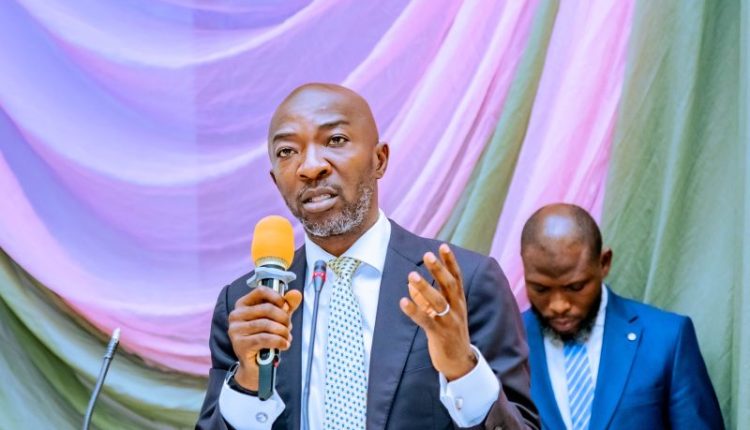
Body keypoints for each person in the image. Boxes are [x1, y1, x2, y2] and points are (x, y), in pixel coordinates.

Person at [196, 83, 539, 429]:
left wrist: (463, 370)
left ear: (379, 160)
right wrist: (248, 382)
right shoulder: (245, 307)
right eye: (287, 151)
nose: (310, 167)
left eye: (335, 140)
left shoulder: (465, 283)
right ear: (275, 180)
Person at [512, 203, 723, 429]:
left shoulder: (667, 339)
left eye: (575, 287)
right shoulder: (506, 346)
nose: (558, 306)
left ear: (604, 263)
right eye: (541, 289)